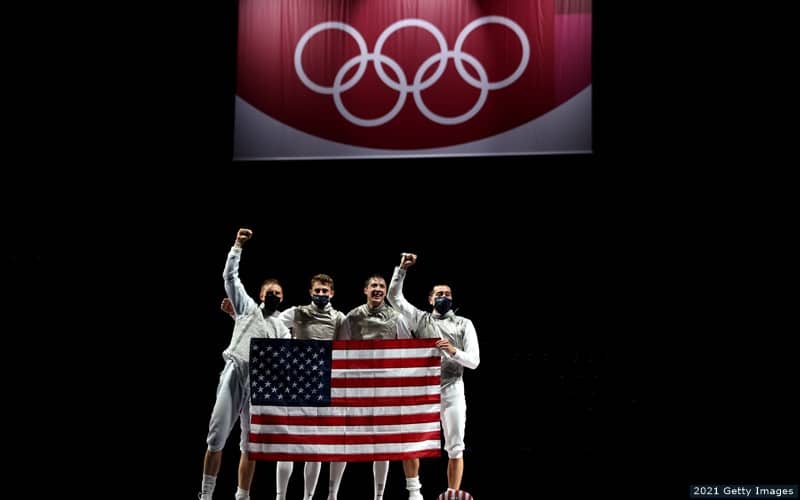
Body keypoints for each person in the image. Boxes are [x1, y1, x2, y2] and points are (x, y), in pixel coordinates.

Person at [199, 228, 291, 500]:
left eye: (278, 292)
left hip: (261, 386)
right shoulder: (247, 308)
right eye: (269, 291)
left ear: (282, 298)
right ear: (261, 295)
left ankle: (242, 496)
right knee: (216, 437)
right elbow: (230, 277)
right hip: (235, 373)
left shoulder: (283, 329)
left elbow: (284, 359)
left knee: (250, 446)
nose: (274, 294)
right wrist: (238, 245)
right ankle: (206, 494)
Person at [387, 253, 480, 497]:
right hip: (423, 390)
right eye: (439, 294)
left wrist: (453, 351)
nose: (443, 298)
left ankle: (452, 493)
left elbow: (474, 361)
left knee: (455, 445)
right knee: (411, 439)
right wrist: (401, 269)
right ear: (430, 299)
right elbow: (394, 298)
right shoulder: (420, 319)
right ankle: (414, 492)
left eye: (447, 294)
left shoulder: (464, 324)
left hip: (452, 388)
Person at [327, 274, 413, 500]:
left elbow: (407, 351)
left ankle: (378, 495)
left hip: (384, 388)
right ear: (365, 290)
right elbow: (340, 351)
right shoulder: (352, 317)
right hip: (355, 387)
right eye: (373, 285)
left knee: (382, 441)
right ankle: (332, 495)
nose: (378, 289)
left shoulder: (397, 318)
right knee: (343, 440)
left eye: (382, 286)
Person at [274, 273, 347, 500]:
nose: (321, 294)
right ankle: (280, 496)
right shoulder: (298, 312)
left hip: (324, 385)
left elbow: (347, 348)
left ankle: (309, 497)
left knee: (316, 443)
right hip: (296, 383)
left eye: (325, 291)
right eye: (317, 290)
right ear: (311, 292)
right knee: (289, 441)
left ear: (332, 293)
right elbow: (271, 324)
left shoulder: (339, 318)